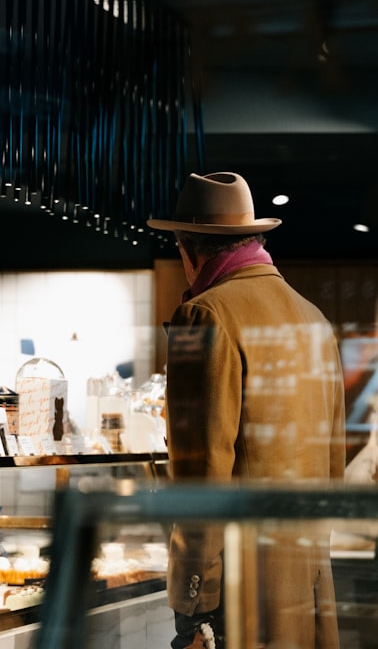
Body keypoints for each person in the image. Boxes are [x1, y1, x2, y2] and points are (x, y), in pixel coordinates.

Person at [147, 171, 346, 649]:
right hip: (308, 582)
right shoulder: (314, 319)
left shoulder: (202, 315)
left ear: (187, 250)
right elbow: (333, 464)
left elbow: (201, 478)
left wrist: (193, 606)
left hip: (240, 595)